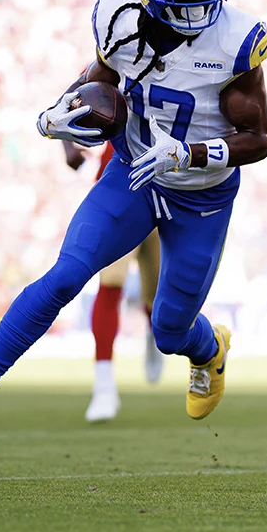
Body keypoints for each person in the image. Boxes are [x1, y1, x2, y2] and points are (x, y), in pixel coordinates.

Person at [0, 0, 267, 451]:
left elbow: (260, 138)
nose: (200, 4)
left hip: (202, 193)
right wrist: (59, 117)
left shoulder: (238, 40)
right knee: (66, 276)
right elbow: (99, 80)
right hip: (132, 173)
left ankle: (209, 349)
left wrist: (193, 152)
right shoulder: (119, 20)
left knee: (169, 329)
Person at [62, 139, 164, 422]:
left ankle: (154, 334)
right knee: (111, 282)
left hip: (167, 191)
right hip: (120, 188)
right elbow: (76, 99)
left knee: (157, 297)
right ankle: (104, 384)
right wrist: (67, 143)